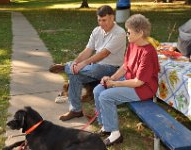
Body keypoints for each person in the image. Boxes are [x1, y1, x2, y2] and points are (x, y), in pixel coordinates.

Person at [93, 14, 160, 146]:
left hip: (143, 89)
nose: (126, 34)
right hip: (130, 80)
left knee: (106, 96)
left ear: (140, 33)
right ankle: (106, 126)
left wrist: (115, 84)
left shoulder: (148, 52)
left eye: (129, 32)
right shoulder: (133, 44)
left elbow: (138, 82)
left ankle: (115, 134)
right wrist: (111, 78)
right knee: (98, 90)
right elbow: (125, 66)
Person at [58, 5, 126, 121]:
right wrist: (75, 63)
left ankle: (66, 67)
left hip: (112, 69)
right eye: (99, 20)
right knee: (75, 75)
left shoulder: (120, 33)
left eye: (104, 20)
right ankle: (76, 110)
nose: (101, 23)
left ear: (112, 17)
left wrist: (83, 64)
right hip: (94, 66)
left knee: (93, 69)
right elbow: (87, 50)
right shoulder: (96, 31)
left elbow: (104, 54)